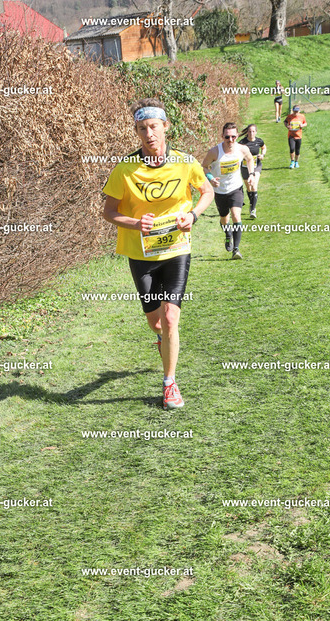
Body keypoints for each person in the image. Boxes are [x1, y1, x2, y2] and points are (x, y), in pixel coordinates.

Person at [102, 98, 214, 410]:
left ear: (166, 126)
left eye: (153, 126)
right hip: (141, 254)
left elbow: (207, 191)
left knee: (170, 317)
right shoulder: (125, 169)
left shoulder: (185, 162)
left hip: (176, 249)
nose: (148, 134)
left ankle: (169, 384)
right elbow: (108, 211)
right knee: (156, 324)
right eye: (142, 128)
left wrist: (192, 215)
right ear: (136, 132)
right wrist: (136, 223)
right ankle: (164, 342)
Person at [202, 122, 255, 260]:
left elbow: (250, 159)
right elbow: (204, 166)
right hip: (220, 191)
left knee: (236, 216)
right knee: (224, 219)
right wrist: (211, 178)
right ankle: (228, 234)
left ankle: (236, 249)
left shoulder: (242, 149)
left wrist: (251, 174)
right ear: (222, 136)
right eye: (227, 137)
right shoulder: (214, 152)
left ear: (237, 136)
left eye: (233, 137)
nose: (230, 140)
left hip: (235, 188)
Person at [238, 124, 266, 219]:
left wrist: (262, 155)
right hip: (245, 167)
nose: (251, 133)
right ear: (247, 132)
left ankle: (253, 210)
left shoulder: (259, 141)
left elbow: (264, 147)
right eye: (250, 131)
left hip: (256, 166)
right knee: (249, 188)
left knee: (254, 185)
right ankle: (251, 203)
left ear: (256, 132)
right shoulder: (242, 143)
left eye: (253, 131)